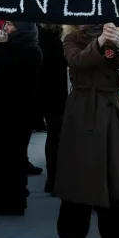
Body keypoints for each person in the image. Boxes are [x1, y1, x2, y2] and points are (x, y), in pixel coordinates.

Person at [56, 23, 119, 238]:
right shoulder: (71, 37)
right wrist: (101, 42)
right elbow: (78, 61)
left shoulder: (116, 35)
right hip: (83, 108)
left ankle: (118, 237)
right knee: (78, 172)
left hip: (110, 108)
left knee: (115, 174)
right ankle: (69, 234)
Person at [0, 22, 43, 215]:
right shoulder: (14, 46)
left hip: (17, 113)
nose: (6, 28)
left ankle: (11, 201)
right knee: (4, 159)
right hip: (2, 111)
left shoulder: (31, 49)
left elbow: (11, 71)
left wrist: (0, 46)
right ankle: (6, 198)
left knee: (11, 159)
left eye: (10, 25)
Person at [38, 24, 67, 194]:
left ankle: (53, 179)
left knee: (54, 137)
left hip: (50, 93)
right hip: (62, 92)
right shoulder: (67, 36)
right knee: (59, 137)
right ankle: (58, 178)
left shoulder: (42, 34)